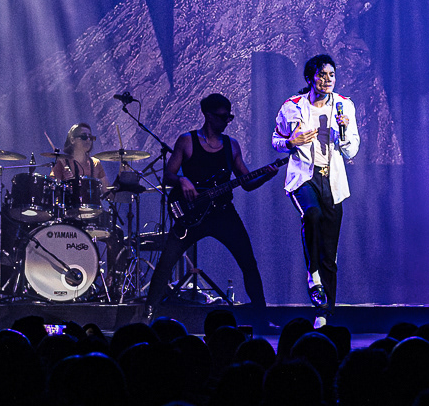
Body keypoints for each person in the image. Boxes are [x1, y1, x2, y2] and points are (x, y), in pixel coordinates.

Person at [145, 94, 278, 308]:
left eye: (229, 117)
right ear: (208, 115)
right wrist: (182, 180)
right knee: (165, 263)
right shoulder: (187, 141)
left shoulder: (232, 145)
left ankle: (261, 315)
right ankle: (148, 313)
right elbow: (167, 176)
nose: (226, 121)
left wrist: (266, 176)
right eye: (222, 117)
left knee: (248, 262)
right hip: (190, 215)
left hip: (223, 214)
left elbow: (246, 182)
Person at [273, 54, 360, 307]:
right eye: (322, 75)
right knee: (312, 214)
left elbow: (351, 151)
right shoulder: (292, 106)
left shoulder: (345, 106)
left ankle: (325, 311)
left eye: (332, 75)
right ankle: (313, 274)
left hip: (332, 181)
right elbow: (276, 140)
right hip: (304, 177)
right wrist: (291, 142)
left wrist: (343, 132)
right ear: (309, 78)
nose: (328, 80)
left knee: (329, 253)